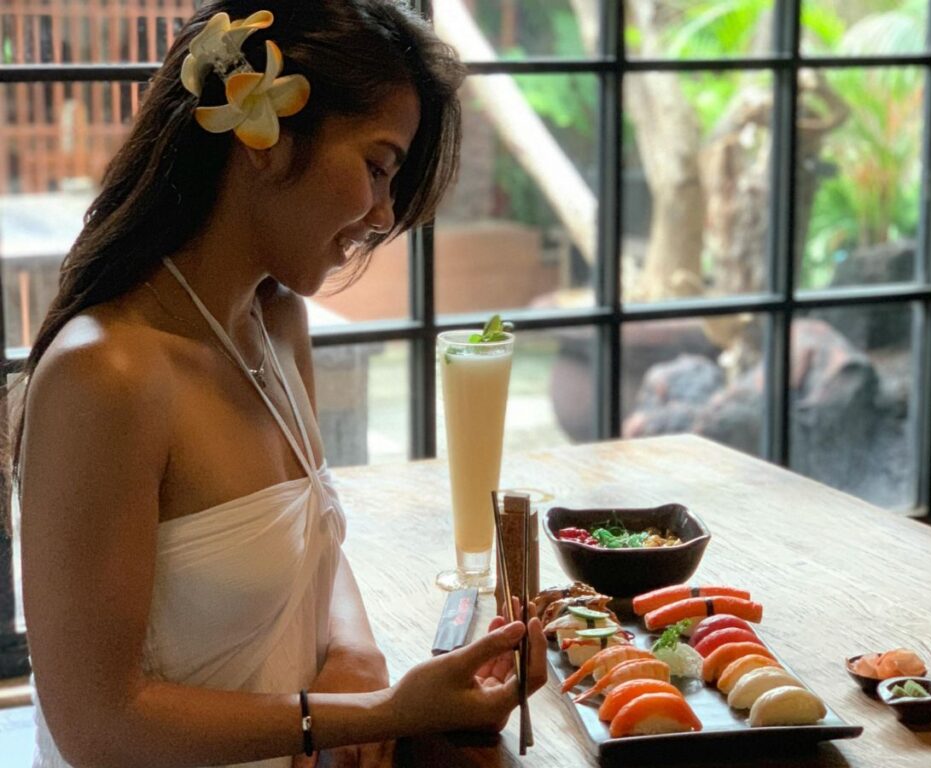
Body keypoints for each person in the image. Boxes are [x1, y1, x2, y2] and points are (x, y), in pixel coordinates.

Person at [11, 2, 546, 767]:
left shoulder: (276, 322)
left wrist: (357, 660)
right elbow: (98, 728)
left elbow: (313, 546)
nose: (384, 214)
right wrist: (362, 714)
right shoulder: (107, 376)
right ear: (263, 137)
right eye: (377, 167)